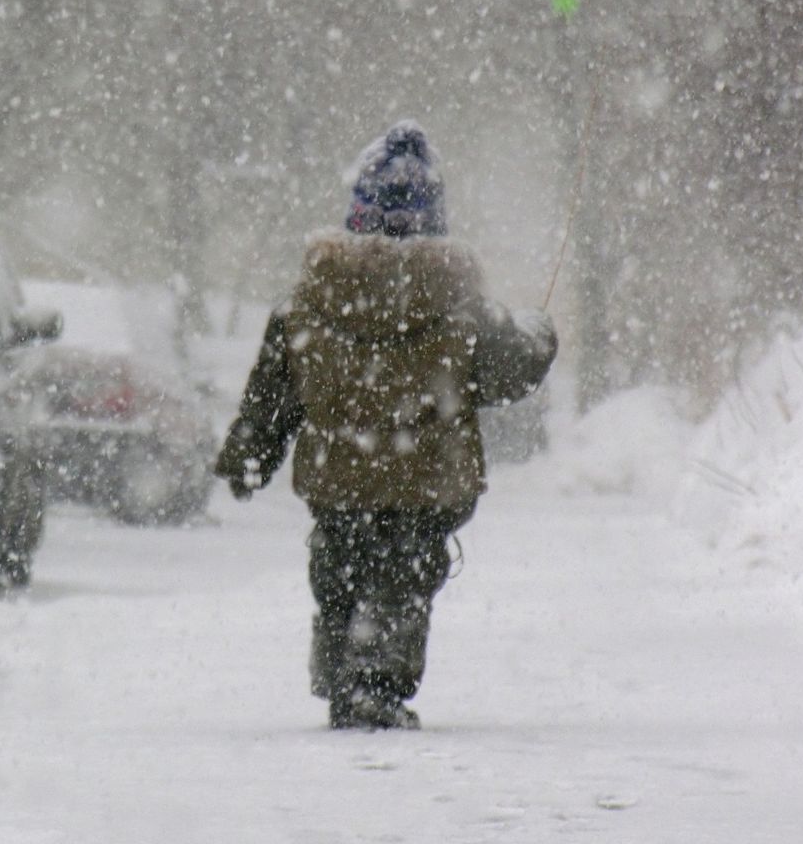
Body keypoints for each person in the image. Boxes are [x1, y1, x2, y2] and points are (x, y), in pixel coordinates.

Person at [215, 121, 557, 730]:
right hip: (427, 482)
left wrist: (252, 454)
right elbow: (515, 370)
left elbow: (275, 393)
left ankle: (341, 668)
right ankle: (375, 683)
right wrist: (539, 330)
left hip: (338, 476)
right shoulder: (461, 305)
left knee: (339, 563)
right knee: (405, 574)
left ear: (357, 215)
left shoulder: (308, 302)